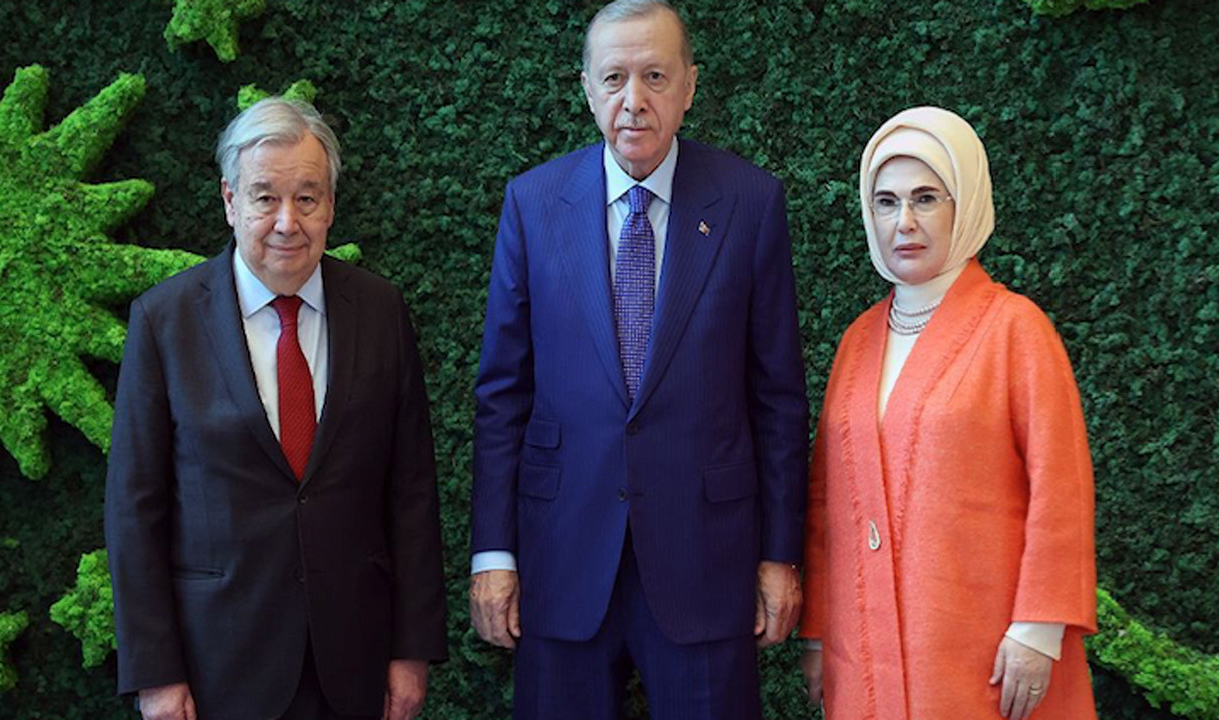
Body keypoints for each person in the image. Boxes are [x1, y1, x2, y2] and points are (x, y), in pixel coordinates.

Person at [468, 1, 809, 718]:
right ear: (587, 88)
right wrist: (494, 554)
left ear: (689, 85)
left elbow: (777, 397)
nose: (634, 100)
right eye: (614, 77)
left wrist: (780, 554)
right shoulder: (533, 204)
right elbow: (502, 395)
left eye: (655, 75)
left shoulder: (750, 203)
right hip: (561, 558)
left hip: (705, 561)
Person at [104, 98, 447, 720]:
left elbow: (412, 492)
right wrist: (155, 675)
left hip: (356, 662)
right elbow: (135, 509)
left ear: (331, 206)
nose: (287, 222)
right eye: (265, 198)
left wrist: (412, 649)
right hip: (218, 667)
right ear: (230, 201)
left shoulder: (380, 311)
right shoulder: (164, 321)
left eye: (307, 198)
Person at [799, 105, 1099, 720]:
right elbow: (828, 503)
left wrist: (1039, 627)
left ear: (965, 203)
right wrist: (819, 634)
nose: (904, 222)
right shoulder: (858, 340)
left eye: (926, 198)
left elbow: (1061, 487)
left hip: (987, 649)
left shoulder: (1016, 328)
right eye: (886, 202)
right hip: (864, 645)